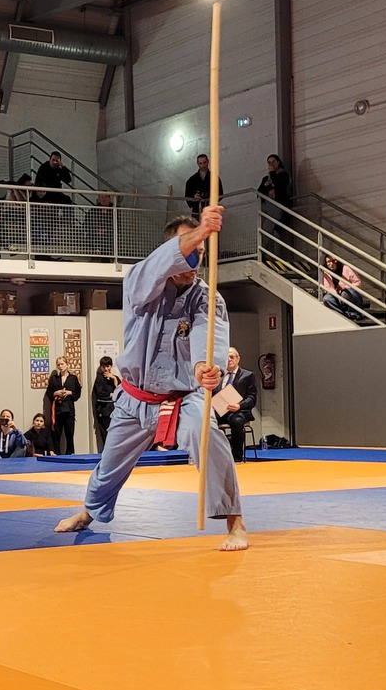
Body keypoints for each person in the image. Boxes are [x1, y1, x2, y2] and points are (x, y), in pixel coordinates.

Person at [54, 205, 248, 551]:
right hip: (136, 397)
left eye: (201, 254)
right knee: (110, 462)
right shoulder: (139, 283)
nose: (194, 260)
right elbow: (156, 266)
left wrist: (205, 367)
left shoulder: (207, 296)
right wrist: (201, 232)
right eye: (189, 251)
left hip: (183, 396)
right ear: (169, 253)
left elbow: (209, 335)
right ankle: (89, 511)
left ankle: (235, 522)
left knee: (205, 435)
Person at [213, 346, 258, 464]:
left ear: (238, 359)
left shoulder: (247, 375)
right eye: (226, 357)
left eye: (232, 357)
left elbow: (252, 398)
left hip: (239, 411)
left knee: (236, 421)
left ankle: (237, 456)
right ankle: (216, 454)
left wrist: (239, 406)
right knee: (208, 420)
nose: (229, 360)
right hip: (220, 411)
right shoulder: (219, 375)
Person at [42, 356, 81, 454]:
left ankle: (70, 454)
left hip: (69, 410)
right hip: (57, 411)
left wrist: (69, 393)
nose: (60, 366)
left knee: (69, 434)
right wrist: (56, 393)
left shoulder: (73, 378)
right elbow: (49, 393)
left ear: (67, 365)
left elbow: (77, 394)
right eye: (58, 365)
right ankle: (57, 454)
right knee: (56, 434)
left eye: (62, 364)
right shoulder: (54, 379)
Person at [320, 253, 365, 321]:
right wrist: (336, 295)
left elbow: (358, 283)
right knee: (327, 298)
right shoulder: (325, 273)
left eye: (333, 261)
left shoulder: (346, 268)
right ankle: (345, 315)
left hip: (349, 297)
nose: (331, 264)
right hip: (336, 297)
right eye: (328, 262)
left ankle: (355, 312)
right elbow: (327, 287)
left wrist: (344, 287)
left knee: (346, 293)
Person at [91, 356, 120, 451]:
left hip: (114, 410)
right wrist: (110, 395)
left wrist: (114, 379)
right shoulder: (99, 379)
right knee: (105, 433)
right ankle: (107, 452)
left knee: (115, 433)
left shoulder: (115, 378)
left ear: (111, 366)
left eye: (108, 366)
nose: (106, 369)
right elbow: (99, 393)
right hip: (103, 410)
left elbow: (121, 391)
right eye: (104, 367)